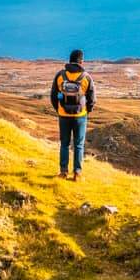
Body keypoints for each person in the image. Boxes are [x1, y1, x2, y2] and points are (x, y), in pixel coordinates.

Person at [50, 49, 95, 181]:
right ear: (81, 61)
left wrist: (59, 110)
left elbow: (53, 96)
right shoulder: (86, 77)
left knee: (64, 144)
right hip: (80, 116)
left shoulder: (60, 75)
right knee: (78, 145)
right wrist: (87, 110)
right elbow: (92, 99)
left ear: (70, 60)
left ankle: (63, 172)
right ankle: (77, 173)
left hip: (63, 115)